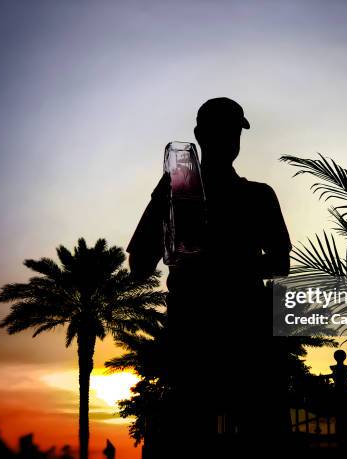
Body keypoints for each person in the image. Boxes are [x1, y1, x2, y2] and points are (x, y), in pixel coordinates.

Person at [127, 97, 291, 457]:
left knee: (250, 430)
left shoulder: (258, 195)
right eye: (224, 131)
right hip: (204, 340)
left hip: (235, 339)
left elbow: (281, 264)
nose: (229, 139)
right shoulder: (179, 193)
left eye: (233, 131)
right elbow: (139, 263)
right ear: (201, 135)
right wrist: (166, 201)